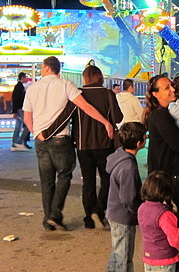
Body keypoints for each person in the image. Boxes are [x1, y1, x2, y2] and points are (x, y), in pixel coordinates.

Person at [23, 56, 114, 231]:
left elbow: (27, 117)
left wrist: (37, 133)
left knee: (46, 180)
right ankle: (54, 214)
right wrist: (105, 122)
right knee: (64, 175)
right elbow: (86, 107)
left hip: (40, 140)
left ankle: (48, 219)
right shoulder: (66, 85)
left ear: (47, 68)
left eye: (42, 67)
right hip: (60, 139)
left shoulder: (32, 88)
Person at [144, 74, 179, 272]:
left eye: (171, 86)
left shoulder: (167, 114)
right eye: (166, 88)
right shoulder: (160, 116)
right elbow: (177, 144)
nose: (172, 90)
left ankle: (174, 268)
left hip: (170, 175)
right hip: (170, 178)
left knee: (176, 224)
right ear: (155, 94)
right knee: (173, 225)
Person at [101, 122, 147, 272]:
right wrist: (140, 213)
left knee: (118, 251)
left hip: (114, 211)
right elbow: (129, 198)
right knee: (124, 255)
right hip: (123, 215)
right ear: (138, 143)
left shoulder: (118, 158)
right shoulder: (128, 167)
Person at [73, 65, 122, 229]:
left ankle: (89, 218)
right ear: (100, 77)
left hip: (83, 144)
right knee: (107, 179)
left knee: (88, 181)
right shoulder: (108, 94)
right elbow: (119, 116)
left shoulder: (77, 94)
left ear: (85, 78)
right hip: (104, 143)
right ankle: (99, 210)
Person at [11, 72, 31, 151]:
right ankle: (19, 142)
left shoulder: (19, 87)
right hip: (20, 109)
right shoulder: (19, 88)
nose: (27, 79)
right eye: (26, 77)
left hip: (19, 109)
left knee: (18, 126)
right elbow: (15, 100)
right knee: (27, 126)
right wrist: (15, 111)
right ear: (22, 78)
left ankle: (15, 143)